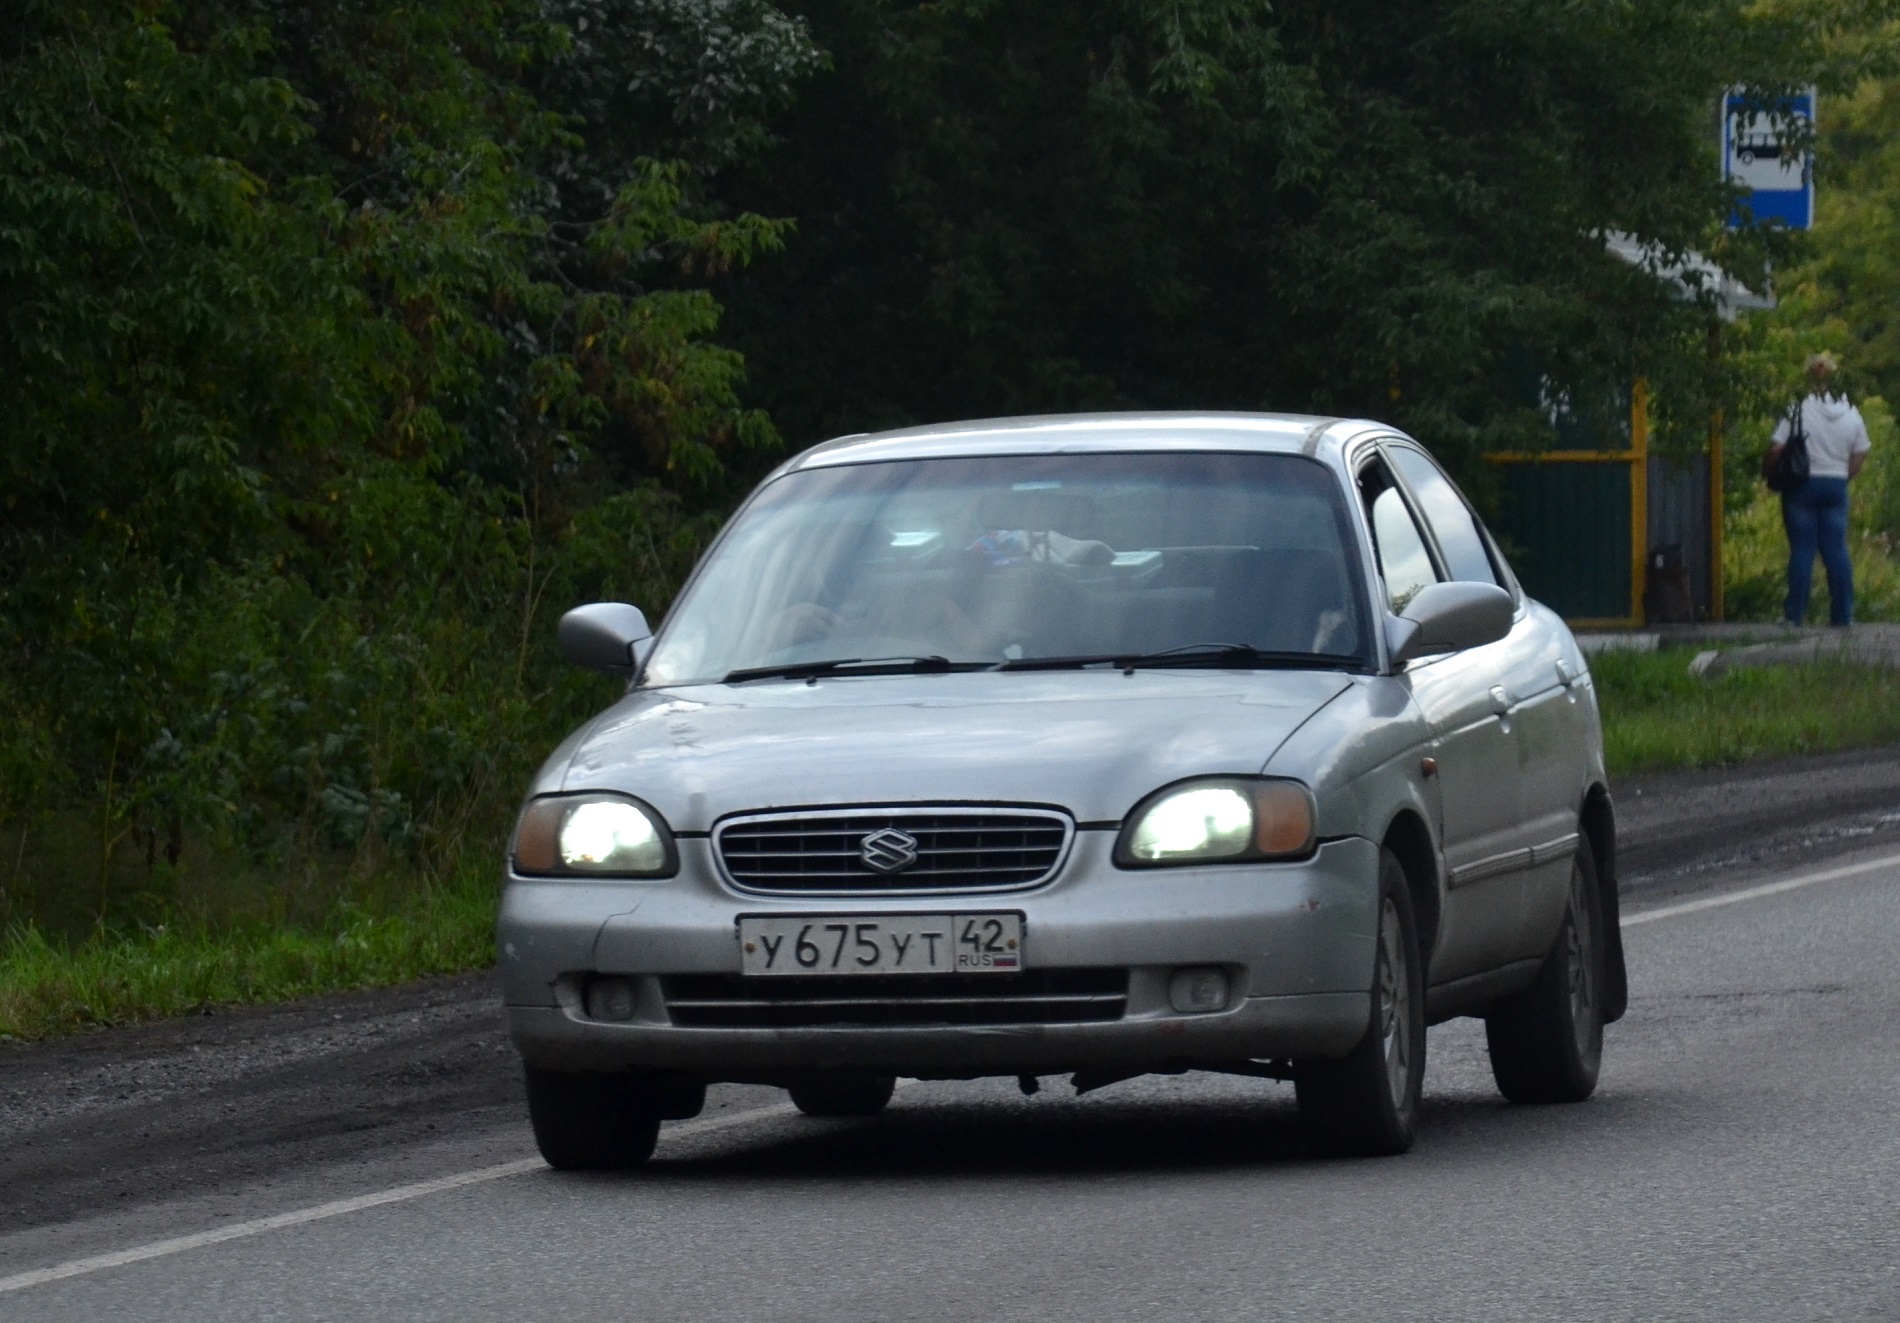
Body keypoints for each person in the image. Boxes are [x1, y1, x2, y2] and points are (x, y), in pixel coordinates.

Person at [1766, 353, 1871, 627]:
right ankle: (1843, 615)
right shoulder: (1851, 411)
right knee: (1836, 549)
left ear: (1808, 377)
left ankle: (1794, 615)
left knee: (1802, 549)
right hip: (1836, 485)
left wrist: (1769, 471)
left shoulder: (1797, 409)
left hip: (1802, 485)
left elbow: (1777, 447)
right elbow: (1862, 450)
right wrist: (1844, 475)